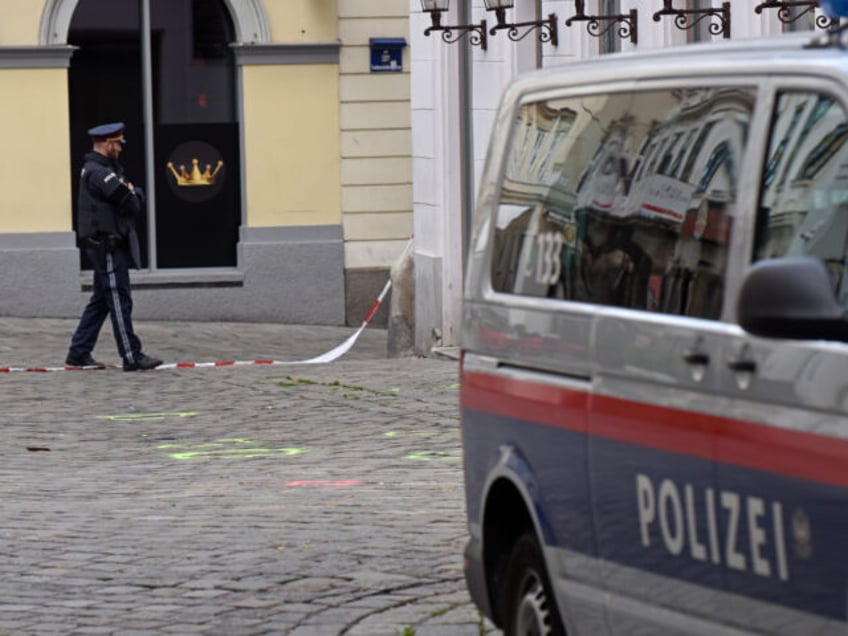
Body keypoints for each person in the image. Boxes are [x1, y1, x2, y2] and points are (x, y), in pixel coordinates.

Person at [65, 122, 162, 371]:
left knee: (100, 302)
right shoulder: (100, 173)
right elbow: (130, 204)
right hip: (107, 247)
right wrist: (133, 193)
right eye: (118, 143)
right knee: (120, 299)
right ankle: (131, 355)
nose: (120, 147)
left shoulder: (102, 170)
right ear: (108, 144)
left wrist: (133, 192)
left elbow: (130, 195)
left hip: (108, 246)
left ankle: (79, 351)